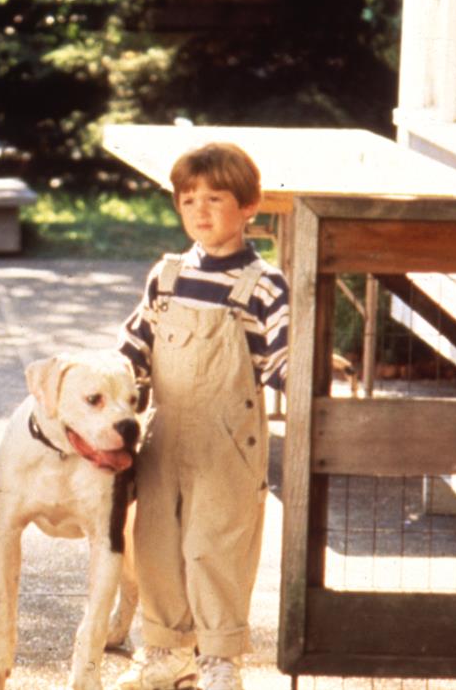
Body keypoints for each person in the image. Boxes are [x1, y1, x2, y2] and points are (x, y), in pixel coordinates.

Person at [116, 142, 288, 690]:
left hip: (228, 442)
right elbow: (135, 349)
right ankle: (166, 652)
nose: (201, 210)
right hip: (164, 435)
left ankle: (219, 661)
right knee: (157, 545)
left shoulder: (263, 285)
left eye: (216, 198)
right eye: (188, 199)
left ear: (248, 207)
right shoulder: (166, 276)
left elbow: (283, 361)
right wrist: (112, 395)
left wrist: (309, 379)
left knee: (213, 547)